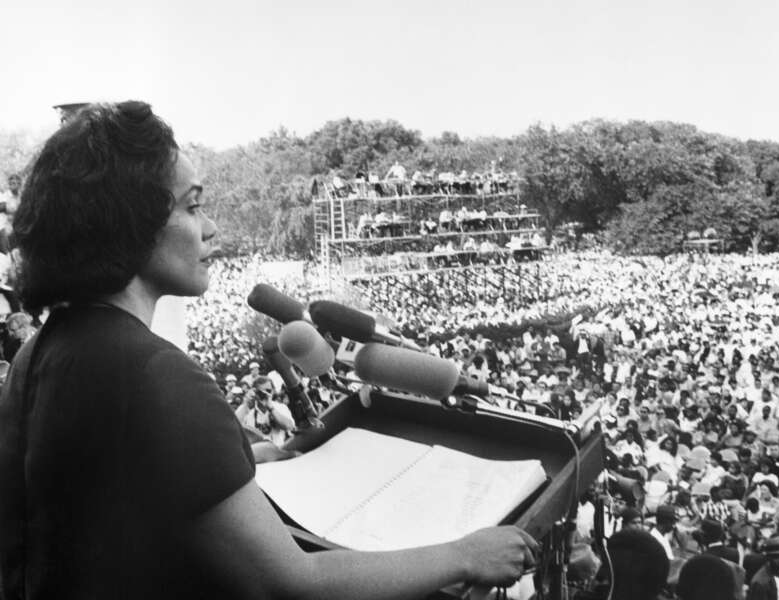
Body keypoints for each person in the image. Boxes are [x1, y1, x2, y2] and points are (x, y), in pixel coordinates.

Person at [0, 101, 537, 599]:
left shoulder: (41, 351)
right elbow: (293, 584)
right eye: (193, 207)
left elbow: (117, 497)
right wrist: (464, 555)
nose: (211, 228)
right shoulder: (154, 374)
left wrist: (251, 458)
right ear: (128, 222)